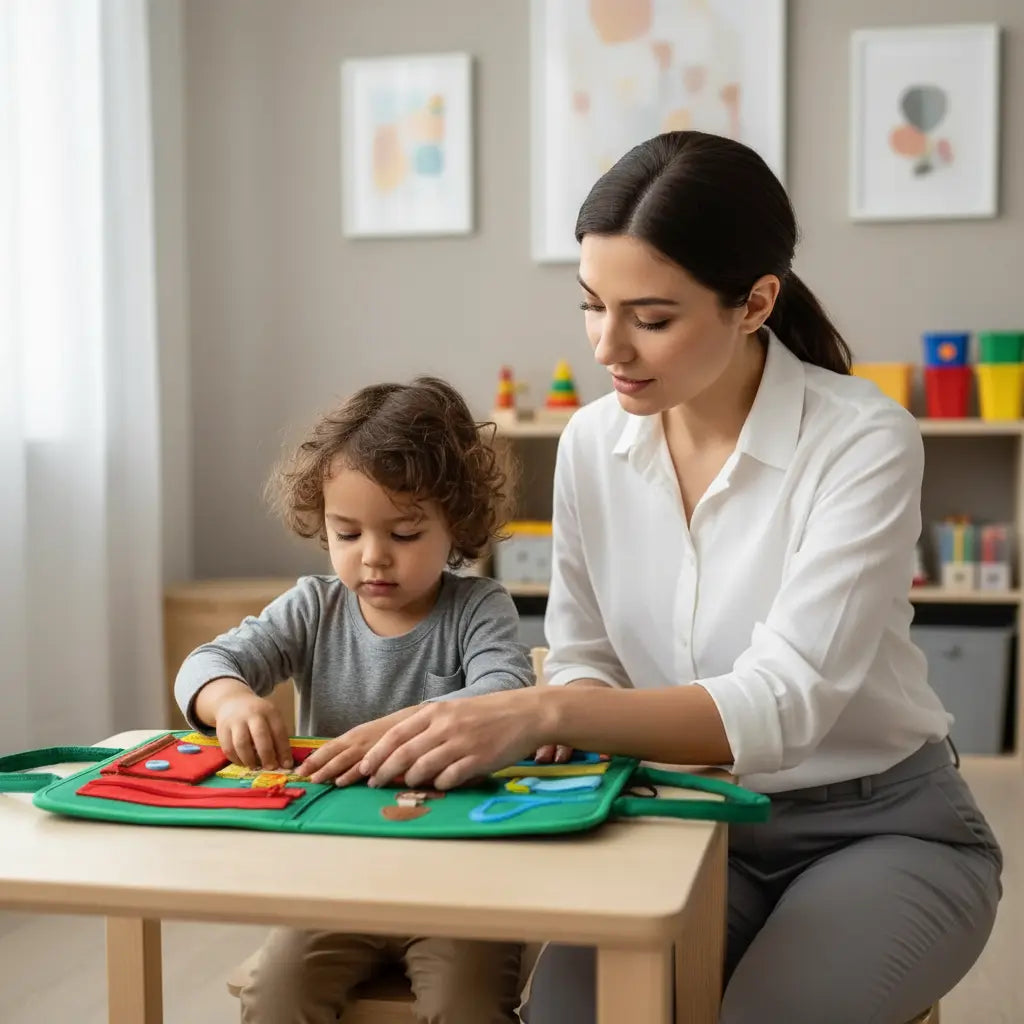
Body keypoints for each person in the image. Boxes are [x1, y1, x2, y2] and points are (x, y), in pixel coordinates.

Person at [352, 133, 1003, 1024]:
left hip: (880, 824)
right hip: (679, 817)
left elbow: (785, 703)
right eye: (592, 306)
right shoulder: (592, 443)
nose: (609, 346)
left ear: (754, 302)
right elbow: (583, 653)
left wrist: (545, 710)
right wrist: (550, 710)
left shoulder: (861, 439)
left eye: (651, 318)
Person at [174, 376, 530, 1024]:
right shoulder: (313, 608)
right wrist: (229, 704)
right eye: (347, 533)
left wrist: (409, 730)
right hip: (333, 882)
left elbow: (505, 693)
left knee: (467, 1005)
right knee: (275, 998)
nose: (373, 558)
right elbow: (208, 663)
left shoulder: (479, 608)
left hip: (460, 888)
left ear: (457, 525)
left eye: (404, 533)